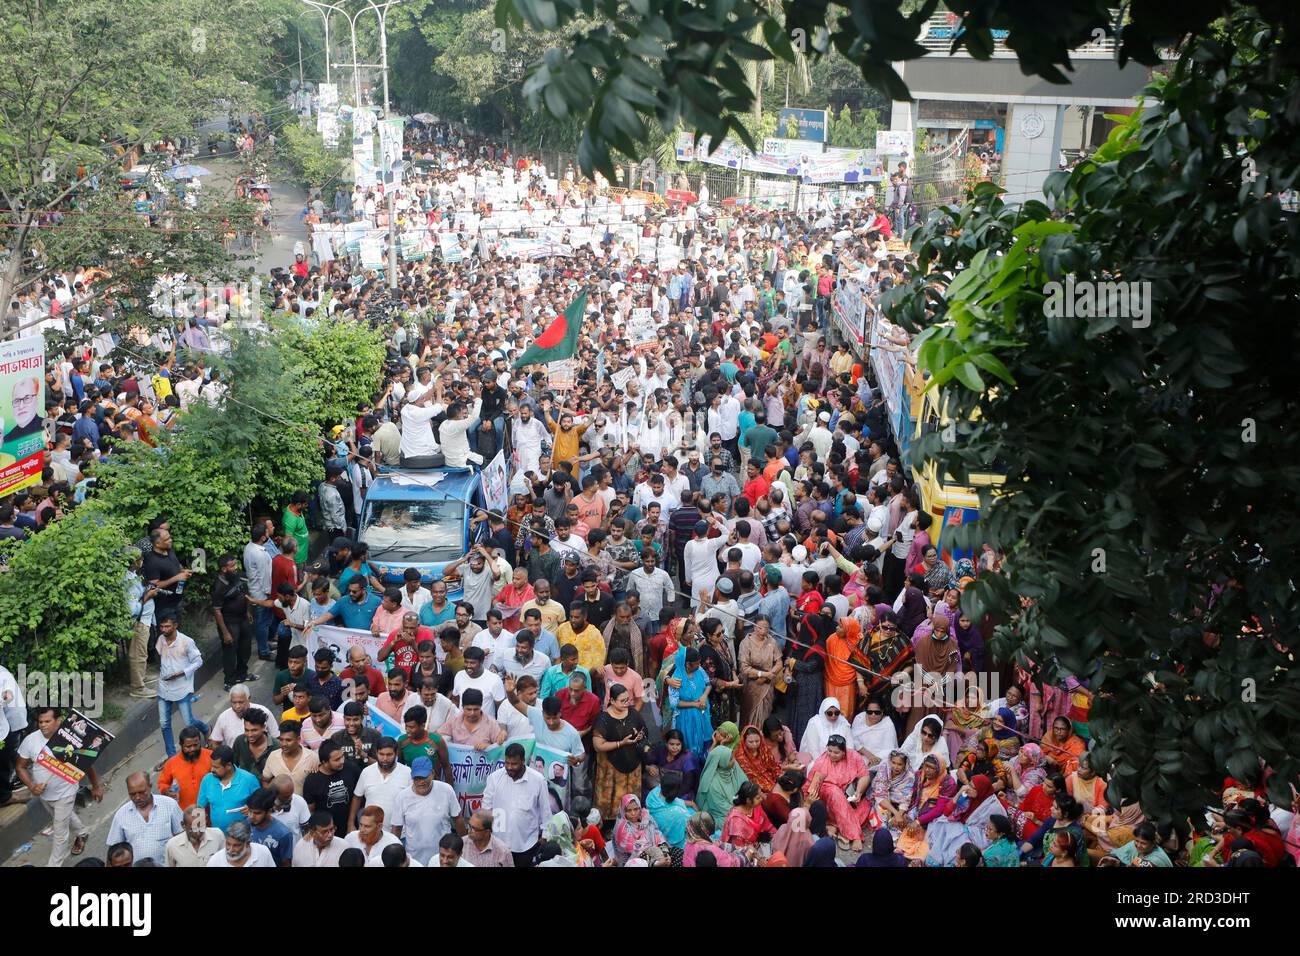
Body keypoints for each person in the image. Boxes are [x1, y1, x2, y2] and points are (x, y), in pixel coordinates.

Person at [481, 743, 550, 867]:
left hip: (526, 843)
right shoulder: (494, 778)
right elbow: (486, 808)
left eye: (514, 764)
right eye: (507, 763)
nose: (509, 767)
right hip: (498, 841)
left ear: (523, 761)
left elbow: (545, 811)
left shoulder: (538, 780)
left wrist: (545, 835)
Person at [153, 613, 210, 761]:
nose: (164, 629)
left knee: (188, 723)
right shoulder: (161, 640)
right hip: (164, 688)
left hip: (182, 688)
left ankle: (205, 729)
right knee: (164, 723)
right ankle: (172, 756)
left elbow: (198, 661)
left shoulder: (187, 642)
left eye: (167, 626)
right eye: (161, 626)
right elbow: (162, 657)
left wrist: (180, 673)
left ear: (175, 626)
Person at [390, 756, 464, 866]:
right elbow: (396, 829)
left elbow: (458, 819)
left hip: (444, 859)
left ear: (433, 773)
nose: (420, 782)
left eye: (424, 777)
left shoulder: (446, 790)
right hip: (415, 859)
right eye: (417, 778)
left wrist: (464, 846)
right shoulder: (402, 797)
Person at [805, 734, 874, 851]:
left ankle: (835, 826)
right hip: (829, 797)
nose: (831, 755)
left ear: (844, 752)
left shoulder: (853, 756)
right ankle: (854, 835)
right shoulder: (822, 762)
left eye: (836, 753)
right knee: (835, 793)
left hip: (848, 795)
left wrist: (858, 791)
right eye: (829, 751)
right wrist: (809, 800)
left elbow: (864, 775)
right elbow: (811, 787)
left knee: (865, 806)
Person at [591, 682, 648, 822]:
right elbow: (598, 745)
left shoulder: (633, 713)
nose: (627, 703)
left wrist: (640, 735)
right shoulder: (603, 719)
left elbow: (644, 729)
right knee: (611, 798)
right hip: (611, 768)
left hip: (632, 764)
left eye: (628, 699)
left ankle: (631, 820)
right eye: (622, 701)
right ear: (611, 701)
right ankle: (610, 825)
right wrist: (620, 744)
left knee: (630, 796)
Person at [196, 746, 261, 834]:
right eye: (212, 766)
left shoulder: (249, 780)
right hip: (217, 838)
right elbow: (200, 808)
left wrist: (251, 808)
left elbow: (261, 806)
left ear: (228, 766)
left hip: (243, 838)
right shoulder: (207, 780)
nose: (212, 770)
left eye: (216, 767)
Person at [696, 724, 748, 823]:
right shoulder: (713, 784)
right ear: (722, 761)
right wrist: (743, 811)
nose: (734, 761)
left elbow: (746, 786)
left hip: (738, 810)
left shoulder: (732, 770)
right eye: (730, 759)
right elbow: (723, 810)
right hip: (723, 817)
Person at [611, 793, 668, 866]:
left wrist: (665, 852)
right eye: (629, 810)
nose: (633, 813)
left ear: (639, 808)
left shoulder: (646, 818)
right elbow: (636, 851)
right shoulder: (621, 829)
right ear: (623, 811)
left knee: (675, 853)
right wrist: (656, 862)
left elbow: (657, 834)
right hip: (633, 860)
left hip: (653, 850)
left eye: (636, 809)